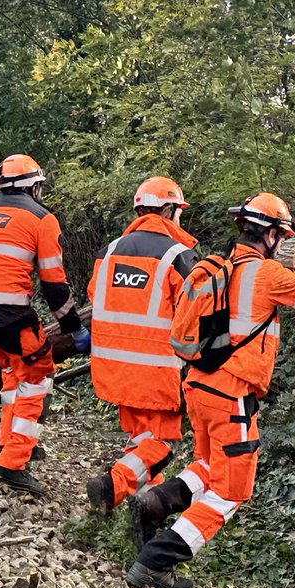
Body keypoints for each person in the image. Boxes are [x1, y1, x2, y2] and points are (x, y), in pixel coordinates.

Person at [125, 193, 295, 588]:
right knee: (232, 491)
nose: (282, 243)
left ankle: (156, 502)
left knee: (209, 466)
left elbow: (276, 292)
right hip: (231, 395)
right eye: (281, 236)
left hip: (197, 386)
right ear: (270, 234)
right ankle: (156, 562)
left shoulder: (222, 267)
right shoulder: (267, 276)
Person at [0, 154, 90, 494]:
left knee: (15, 372)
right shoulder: (42, 218)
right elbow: (54, 284)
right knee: (39, 376)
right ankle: (12, 464)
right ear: (35, 186)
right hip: (6, 314)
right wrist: (74, 327)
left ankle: (8, 442)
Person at [85, 177, 198, 516]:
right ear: (168, 210)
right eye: (178, 211)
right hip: (158, 370)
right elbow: (193, 313)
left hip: (112, 368)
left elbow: (95, 297)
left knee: (141, 439)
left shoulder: (109, 252)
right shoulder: (178, 256)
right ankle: (113, 485)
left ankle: (144, 513)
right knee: (162, 445)